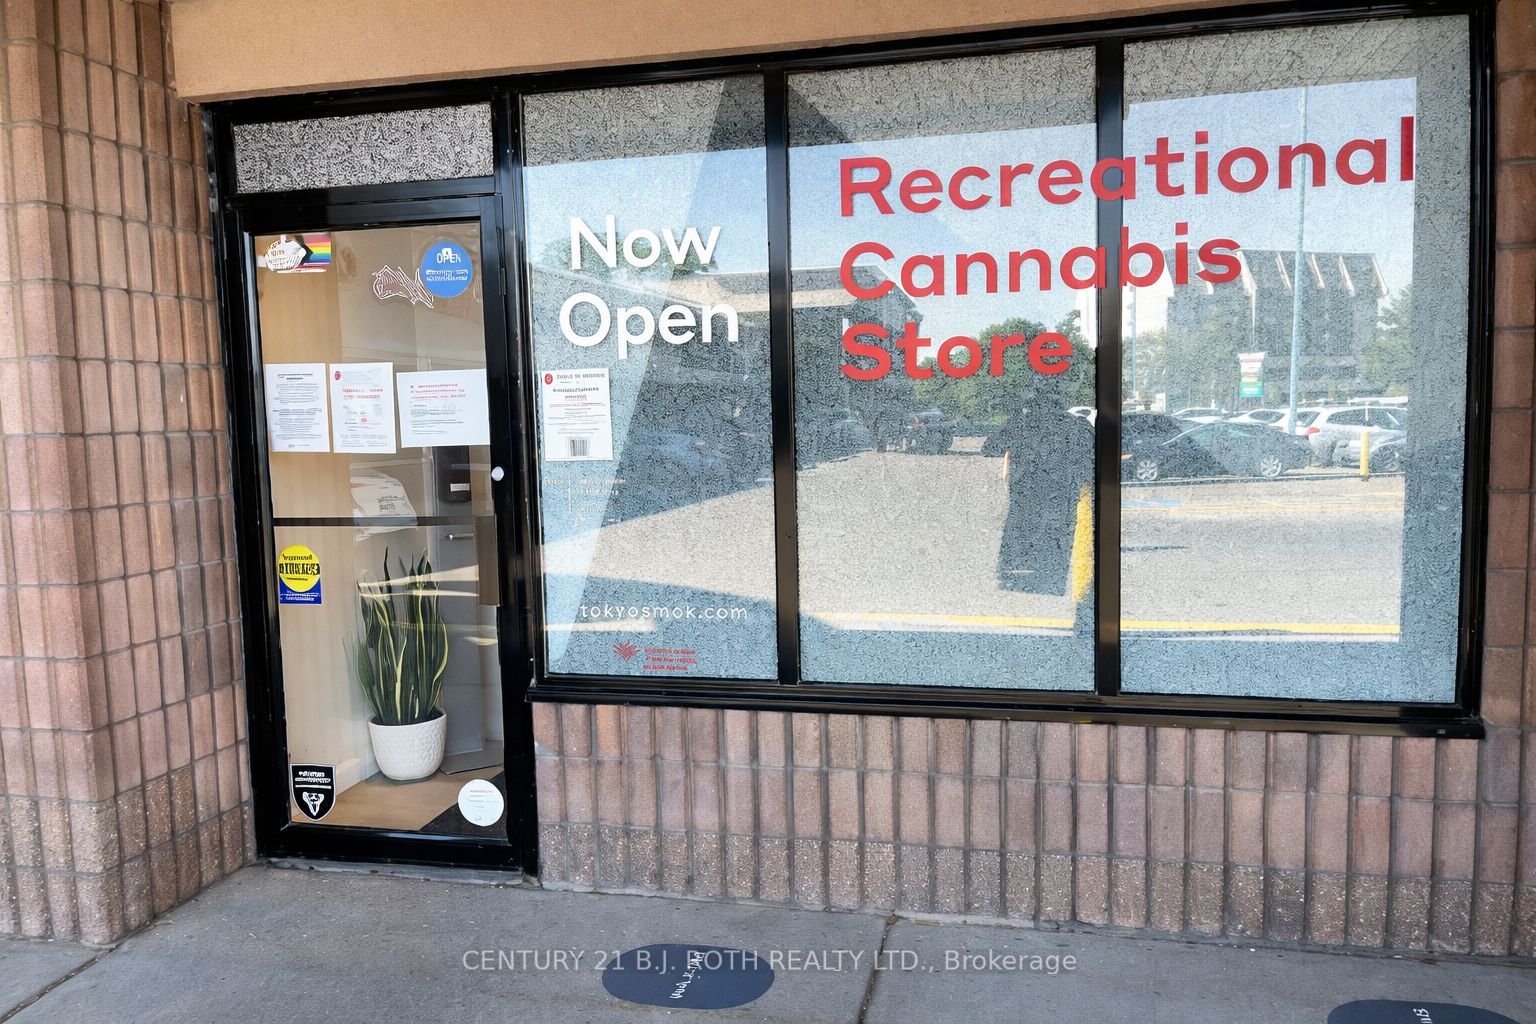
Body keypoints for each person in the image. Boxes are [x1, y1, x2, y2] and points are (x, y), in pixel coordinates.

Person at [993, 374, 1095, 596]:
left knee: (1024, 548)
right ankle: (1042, 580)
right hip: (1056, 506)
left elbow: (990, 446)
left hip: (1027, 504)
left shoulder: (1021, 425)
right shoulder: (1076, 426)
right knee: (1050, 549)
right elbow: (1089, 466)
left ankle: (1019, 579)